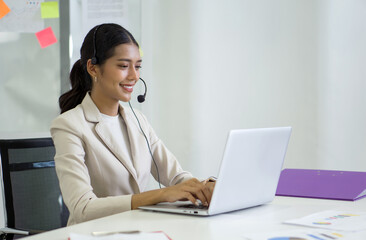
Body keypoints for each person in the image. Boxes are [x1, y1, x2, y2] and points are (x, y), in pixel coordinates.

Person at [50, 23, 215, 225]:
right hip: (94, 234)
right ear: (93, 68)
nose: (134, 76)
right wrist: (161, 194)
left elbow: (177, 177)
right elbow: (82, 208)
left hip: (137, 229)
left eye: (137, 66)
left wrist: (205, 187)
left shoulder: (138, 120)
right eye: (123, 65)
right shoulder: (69, 125)